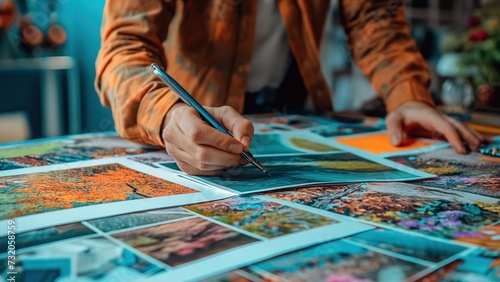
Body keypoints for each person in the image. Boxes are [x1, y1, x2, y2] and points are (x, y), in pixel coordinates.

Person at [96, 0, 487, 175]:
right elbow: (124, 49)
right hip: (197, 121)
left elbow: (374, 17)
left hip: (294, 109)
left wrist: (408, 95)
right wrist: (166, 113)